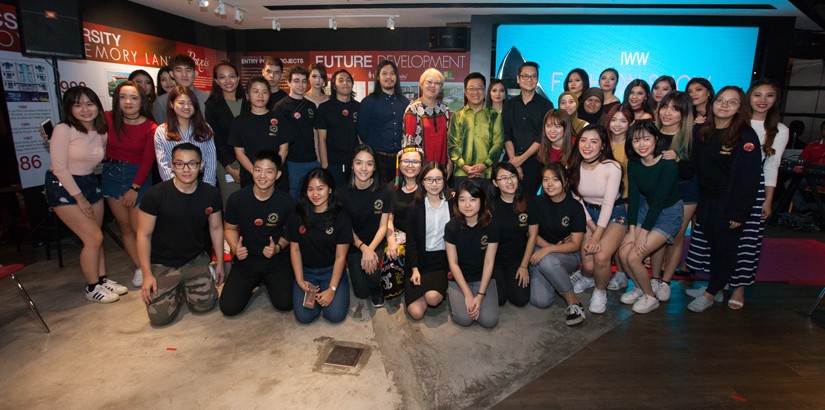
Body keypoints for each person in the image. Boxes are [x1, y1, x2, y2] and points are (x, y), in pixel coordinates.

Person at [685, 86, 762, 312]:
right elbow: (693, 166)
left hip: (729, 203)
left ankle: (710, 293)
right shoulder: (703, 131)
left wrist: (739, 211)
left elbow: (749, 179)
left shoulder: (745, 136)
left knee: (725, 249)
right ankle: (715, 287)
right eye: (721, 100)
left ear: (740, 107)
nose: (724, 105)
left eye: (732, 102)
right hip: (706, 200)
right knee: (713, 245)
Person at [45, 86, 126, 303]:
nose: (85, 109)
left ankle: (101, 279)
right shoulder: (63, 129)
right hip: (64, 185)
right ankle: (91, 287)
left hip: (90, 181)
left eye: (89, 104)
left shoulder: (101, 130)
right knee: (93, 237)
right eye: (78, 104)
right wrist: (79, 198)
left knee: (96, 235)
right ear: (69, 108)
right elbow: (60, 168)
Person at [137, 143, 224, 325]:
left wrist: (220, 264)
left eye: (192, 163)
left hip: (195, 259)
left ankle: (189, 284)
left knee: (205, 305)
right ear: (172, 165)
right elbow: (143, 235)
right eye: (180, 164)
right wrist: (147, 275)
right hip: (163, 263)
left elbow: (216, 228)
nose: (186, 169)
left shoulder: (211, 194)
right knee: (159, 318)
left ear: (201, 165)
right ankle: (177, 290)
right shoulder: (155, 195)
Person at [617, 121, 683, 314]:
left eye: (646, 139)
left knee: (635, 256)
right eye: (636, 140)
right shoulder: (635, 164)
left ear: (656, 139)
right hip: (647, 208)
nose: (642, 144)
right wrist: (631, 232)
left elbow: (660, 202)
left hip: (669, 211)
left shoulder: (668, 165)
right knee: (623, 253)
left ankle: (650, 297)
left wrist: (643, 234)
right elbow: (635, 199)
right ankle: (640, 287)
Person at [220, 150, 295, 316]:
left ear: (278, 175)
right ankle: (257, 280)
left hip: (275, 259)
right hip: (246, 259)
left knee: (286, 303)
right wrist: (235, 248)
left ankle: (267, 281)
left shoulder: (286, 202)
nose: (263, 175)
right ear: (252, 171)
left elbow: (290, 233)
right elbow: (230, 228)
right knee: (229, 308)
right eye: (258, 169)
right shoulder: (237, 199)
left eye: (269, 171)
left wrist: (278, 247)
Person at [103, 81, 158, 288]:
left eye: (134, 98)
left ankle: (147, 268)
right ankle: (139, 268)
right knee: (124, 227)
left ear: (142, 101)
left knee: (139, 228)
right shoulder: (107, 119)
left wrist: (135, 188)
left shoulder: (151, 127)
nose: (128, 102)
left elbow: (147, 161)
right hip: (111, 175)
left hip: (139, 178)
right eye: (123, 97)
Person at [568, 124, 626, 314]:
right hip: (588, 216)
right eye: (583, 140)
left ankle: (600, 292)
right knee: (589, 264)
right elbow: (577, 201)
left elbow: (608, 204)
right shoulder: (573, 165)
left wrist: (596, 236)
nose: (587, 145)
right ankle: (587, 277)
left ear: (602, 146)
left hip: (614, 214)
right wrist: (591, 228)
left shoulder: (612, 167)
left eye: (594, 141)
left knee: (601, 256)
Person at [287, 168, 352, 323]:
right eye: (310, 189)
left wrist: (332, 289)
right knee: (304, 317)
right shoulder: (298, 214)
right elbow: (294, 249)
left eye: (320, 189)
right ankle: (315, 297)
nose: (315, 194)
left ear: (330, 190)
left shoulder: (340, 216)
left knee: (334, 315)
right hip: (307, 273)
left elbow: (340, 257)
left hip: (331, 271)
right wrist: (300, 280)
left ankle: (337, 288)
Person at [648, 92, 696, 299]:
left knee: (675, 237)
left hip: (685, 192)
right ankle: (654, 278)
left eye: (675, 109)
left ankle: (666, 282)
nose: (668, 112)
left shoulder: (692, 136)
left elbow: (691, 172)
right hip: (658, 193)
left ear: (684, 114)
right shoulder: (652, 133)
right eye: (665, 106)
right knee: (659, 235)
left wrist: (677, 158)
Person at [528, 163, 587, 325]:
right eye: (545, 180)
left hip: (568, 255)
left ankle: (574, 303)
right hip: (541, 249)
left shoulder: (575, 207)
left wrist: (549, 250)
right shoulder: (536, 203)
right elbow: (531, 233)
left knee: (548, 261)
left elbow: (575, 244)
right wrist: (547, 249)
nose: (549, 184)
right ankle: (557, 277)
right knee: (541, 301)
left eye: (555, 179)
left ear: (566, 181)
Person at [338, 145, 393, 307]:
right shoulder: (341, 193)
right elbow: (346, 228)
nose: (364, 168)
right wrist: (363, 249)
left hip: (376, 241)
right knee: (361, 293)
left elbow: (384, 225)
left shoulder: (384, 191)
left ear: (375, 167)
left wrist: (371, 249)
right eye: (358, 163)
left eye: (369, 164)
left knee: (372, 272)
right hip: (354, 244)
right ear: (352, 165)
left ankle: (377, 287)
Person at [445, 180, 500, 327]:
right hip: (459, 278)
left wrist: (480, 296)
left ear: (481, 201)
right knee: (464, 319)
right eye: (462, 200)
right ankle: (455, 295)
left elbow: (489, 262)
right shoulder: (451, 227)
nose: (467, 205)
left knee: (489, 321)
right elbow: (453, 264)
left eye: (472, 199)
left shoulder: (492, 225)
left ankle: (479, 295)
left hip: (483, 277)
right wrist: (468, 295)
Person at [404, 161, 451, 319]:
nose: (434, 184)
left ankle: (432, 291)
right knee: (416, 313)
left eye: (438, 179)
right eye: (429, 179)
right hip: (418, 261)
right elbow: (410, 241)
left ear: (445, 180)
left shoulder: (452, 205)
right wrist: (415, 268)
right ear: (422, 182)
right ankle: (424, 290)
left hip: (440, 261)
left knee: (432, 299)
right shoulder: (414, 207)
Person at [502, 62, 554, 197]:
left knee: (528, 201)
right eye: (525, 76)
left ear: (537, 79)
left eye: (533, 76)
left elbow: (542, 136)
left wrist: (522, 159)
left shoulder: (546, 105)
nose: (529, 80)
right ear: (518, 79)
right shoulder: (509, 105)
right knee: (509, 199)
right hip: (511, 160)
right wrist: (515, 161)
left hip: (535, 161)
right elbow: (506, 134)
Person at [490, 162, 537, 307]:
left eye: (512, 176)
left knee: (520, 299)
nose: (509, 181)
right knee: (499, 299)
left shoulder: (528, 202)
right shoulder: (490, 205)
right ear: (495, 183)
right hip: (495, 260)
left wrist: (523, 266)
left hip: (517, 259)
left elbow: (533, 237)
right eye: (503, 178)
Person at [230, 76, 290, 188]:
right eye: (256, 91)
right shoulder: (239, 121)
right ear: (247, 95)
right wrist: (257, 173)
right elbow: (239, 153)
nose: (260, 95)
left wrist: (272, 172)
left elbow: (284, 149)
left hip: (277, 177)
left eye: (265, 92)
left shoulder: (279, 119)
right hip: (250, 176)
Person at [448, 72, 504, 188]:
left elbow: (498, 144)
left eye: (479, 88)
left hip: (486, 174)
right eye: (471, 88)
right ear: (465, 92)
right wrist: (464, 166)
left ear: (484, 91)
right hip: (461, 174)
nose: (475, 92)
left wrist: (484, 165)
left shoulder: (494, 115)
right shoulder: (457, 116)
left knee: (486, 206)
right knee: (463, 206)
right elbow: (452, 145)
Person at [358, 60, 410, 184]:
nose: (389, 77)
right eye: (384, 73)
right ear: (377, 77)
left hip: (400, 158)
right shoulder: (368, 102)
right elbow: (362, 131)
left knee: (397, 196)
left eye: (392, 73)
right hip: (377, 158)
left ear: (396, 77)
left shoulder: (405, 102)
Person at [154, 85, 217, 186]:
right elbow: (163, 164)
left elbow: (211, 160)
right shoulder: (162, 131)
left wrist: (208, 187)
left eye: (190, 103)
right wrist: (176, 188)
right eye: (181, 103)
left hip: (202, 181)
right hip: (174, 184)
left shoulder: (205, 128)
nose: (186, 107)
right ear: (171, 104)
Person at [272, 65, 319, 198]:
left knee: (313, 195)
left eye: (304, 81)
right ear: (288, 83)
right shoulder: (280, 107)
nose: (301, 84)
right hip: (292, 162)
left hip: (312, 160)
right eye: (296, 81)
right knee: (294, 196)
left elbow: (315, 134)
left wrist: (319, 159)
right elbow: (276, 138)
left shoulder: (311, 106)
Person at [205, 61, 246, 207]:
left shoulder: (248, 100)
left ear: (238, 78)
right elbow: (216, 139)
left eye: (232, 76)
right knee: (232, 204)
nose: (228, 81)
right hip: (226, 162)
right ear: (216, 81)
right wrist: (230, 169)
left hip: (250, 161)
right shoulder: (212, 105)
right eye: (222, 77)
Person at [603, 104, 635, 291]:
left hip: (627, 199)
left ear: (630, 123)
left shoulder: (633, 145)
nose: (617, 124)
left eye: (623, 120)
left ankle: (623, 275)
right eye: (614, 119)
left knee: (623, 242)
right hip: (605, 201)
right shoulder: (603, 143)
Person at [316, 69, 360, 188]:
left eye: (348, 80)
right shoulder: (325, 108)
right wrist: (325, 165)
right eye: (341, 80)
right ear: (334, 86)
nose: (345, 83)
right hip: (333, 163)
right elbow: (321, 139)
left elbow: (361, 136)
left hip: (354, 163)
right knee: (335, 197)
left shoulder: (358, 107)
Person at [385, 146, 424, 273]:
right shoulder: (391, 188)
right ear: (399, 163)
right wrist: (391, 242)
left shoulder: (428, 186)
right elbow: (388, 219)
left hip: (423, 233)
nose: (410, 165)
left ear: (422, 164)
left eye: (415, 162)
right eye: (406, 161)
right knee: (390, 257)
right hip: (400, 234)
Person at [404, 68, 451, 171]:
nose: (432, 86)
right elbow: (408, 144)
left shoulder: (445, 109)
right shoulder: (413, 110)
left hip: (441, 168)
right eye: (429, 82)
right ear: (421, 84)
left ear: (441, 88)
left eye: (437, 83)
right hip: (420, 169)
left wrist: (450, 162)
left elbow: (449, 139)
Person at [153, 54, 209, 124]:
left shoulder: (207, 98)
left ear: (195, 74)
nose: (184, 75)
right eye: (179, 70)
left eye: (188, 70)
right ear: (172, 74)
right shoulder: (162, 102)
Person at [792, 121, 825, 212]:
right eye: (824, 129)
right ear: (821, 131)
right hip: (810, 177)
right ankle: (805, 211)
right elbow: (801, 161)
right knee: (790, 184)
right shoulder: (812, 145)